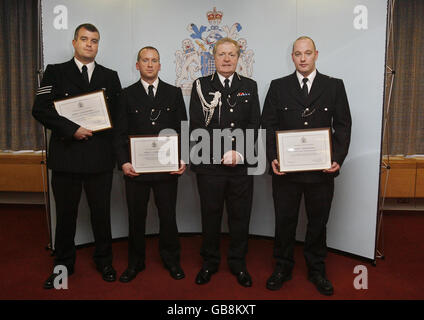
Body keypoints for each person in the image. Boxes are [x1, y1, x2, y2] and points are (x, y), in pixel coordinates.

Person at [32, 23, 122, 289]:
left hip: (99, 159)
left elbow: (117, 118)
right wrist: (72, 130)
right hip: (67, 157)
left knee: (101, 215)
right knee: (66, 216)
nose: (89, 44)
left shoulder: (110, 76)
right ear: (74, 42)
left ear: (98, 44)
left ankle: (105, 262)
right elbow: (41, 110)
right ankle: (62, 265)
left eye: (94, 40)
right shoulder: (55, 72)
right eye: (84, 39)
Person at [261, 36, 352, 296]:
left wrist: (337, 157)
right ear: (292, 57)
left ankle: (316, 269)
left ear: (316, 55)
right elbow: (268, 125)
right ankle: (282, 267)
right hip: (286, 172)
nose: (303, 58)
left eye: (307, 53)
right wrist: (273, 157)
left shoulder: (334, 86)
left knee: (317, 223)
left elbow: (343, 124)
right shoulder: (278, 87)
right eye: (298, 54)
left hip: (320, 172)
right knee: (285, 221)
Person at [189, 37, 261, 287]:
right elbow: (197, 127)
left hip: (240, 167)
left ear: (238, 57)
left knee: (240, 217)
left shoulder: (249, 86)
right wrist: (220, 154)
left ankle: (238, 263)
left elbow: (254, 124)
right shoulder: (200, 85)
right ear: (214, 57)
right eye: (221, 54)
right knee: (211, 216)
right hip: (210, 166)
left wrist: (238, 154)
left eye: (231, 54)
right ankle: (209, 263)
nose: (227, 59)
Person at [113, 47, 187, 283]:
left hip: (167, 169)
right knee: (136, 218)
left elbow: (182, 129)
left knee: (168, 216)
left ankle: (171, 260)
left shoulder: (173, 93)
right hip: (135, 170)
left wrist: (182, 159)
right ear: (137, 65)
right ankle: (135, 263)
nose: (150, 64)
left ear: (160, 65)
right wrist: (123, 162)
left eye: (154, 60)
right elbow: (119, 133)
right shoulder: (126, 95)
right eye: (145, 60)